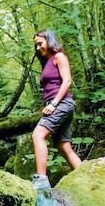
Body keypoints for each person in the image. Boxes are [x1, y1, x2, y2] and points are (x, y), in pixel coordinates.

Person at [30, 29, 82, 191]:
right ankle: (87, 177)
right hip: (60, 104)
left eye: (40, 44)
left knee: (38, 135)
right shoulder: (47, 62)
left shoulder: (59, 57)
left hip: (62, 104)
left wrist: (53, 103)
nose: (38, 48)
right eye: (36, 45)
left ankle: (42, 179)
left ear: (49, 40)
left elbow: (67, 81)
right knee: (63, 147)